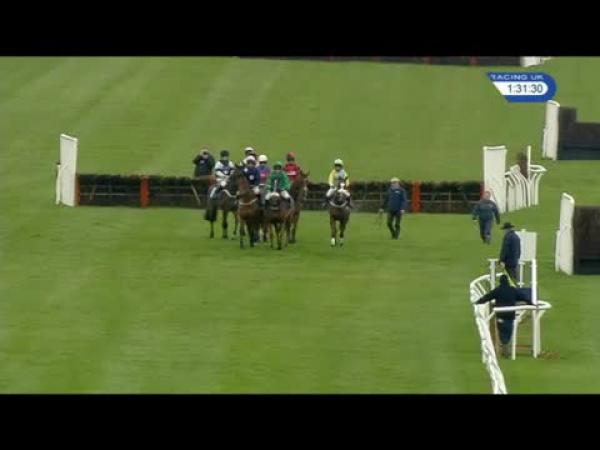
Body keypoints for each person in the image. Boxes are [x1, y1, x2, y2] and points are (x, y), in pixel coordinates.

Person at [474, 275, 519, 358]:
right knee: (508, 331)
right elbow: (522, 296)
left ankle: (504, 346)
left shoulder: (498, 290)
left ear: (500, 282)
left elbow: (488, 296)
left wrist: (478, 301)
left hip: (500, 315)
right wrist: (530, 302)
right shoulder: (513, 290)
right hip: (510, 315)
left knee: (502, 331)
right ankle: (506, 347)